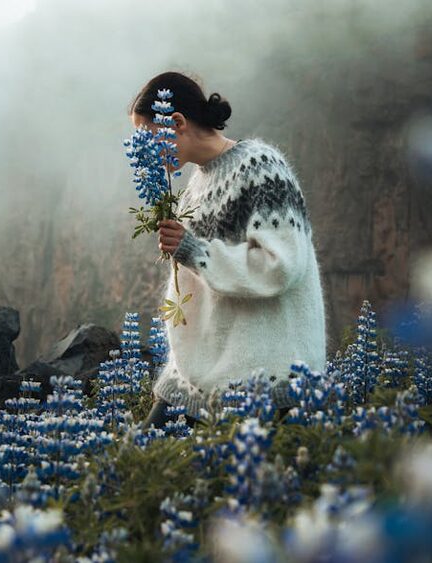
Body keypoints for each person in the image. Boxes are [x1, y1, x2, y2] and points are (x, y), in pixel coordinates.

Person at [127, 71, 327, 430]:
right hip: (200, 371)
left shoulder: (261, 167)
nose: (142, 147)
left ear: (177, 122)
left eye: (147, 135)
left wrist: (193, 251)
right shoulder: (195, 185)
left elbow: (280, 265)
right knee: (139, 456)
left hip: (264, 374)